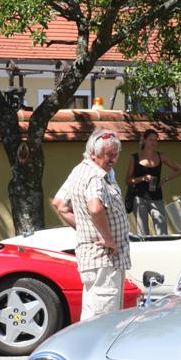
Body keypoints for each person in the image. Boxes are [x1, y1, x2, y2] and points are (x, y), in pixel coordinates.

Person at [67, 129, 131, 320]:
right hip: (104, 259)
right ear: (94, 154)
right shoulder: (96, 176)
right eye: (108, 155)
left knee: (91, 314)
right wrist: (107, 239)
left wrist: (86, 229)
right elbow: (95, 208)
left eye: (116, 154)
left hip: (92, 259)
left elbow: (60, 204)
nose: (113, 160)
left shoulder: (79, 170)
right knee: (103, 320)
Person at [125, 129, 181, 236]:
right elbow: (128, 180)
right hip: (139, 198)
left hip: (157, 197)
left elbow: (179, 170)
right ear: (144, 140)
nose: (154, 143)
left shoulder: (161, 156)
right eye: (151, 140)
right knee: (143, 233)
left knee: (162, 232)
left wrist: (164, 180)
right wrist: (142, 178)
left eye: (156, 140)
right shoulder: (134, 157)